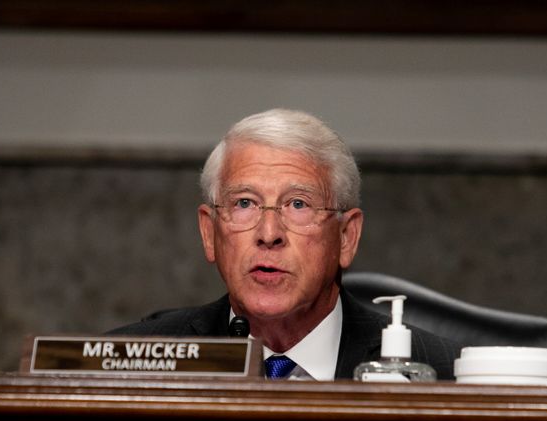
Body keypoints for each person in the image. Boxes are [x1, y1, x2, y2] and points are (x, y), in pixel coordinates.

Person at [110, 109, 459, 380]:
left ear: (346, 237)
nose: (269, 233)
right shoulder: (126, 365)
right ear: (209, 232)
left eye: (298, 204)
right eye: (244, 203)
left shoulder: (444, 374)